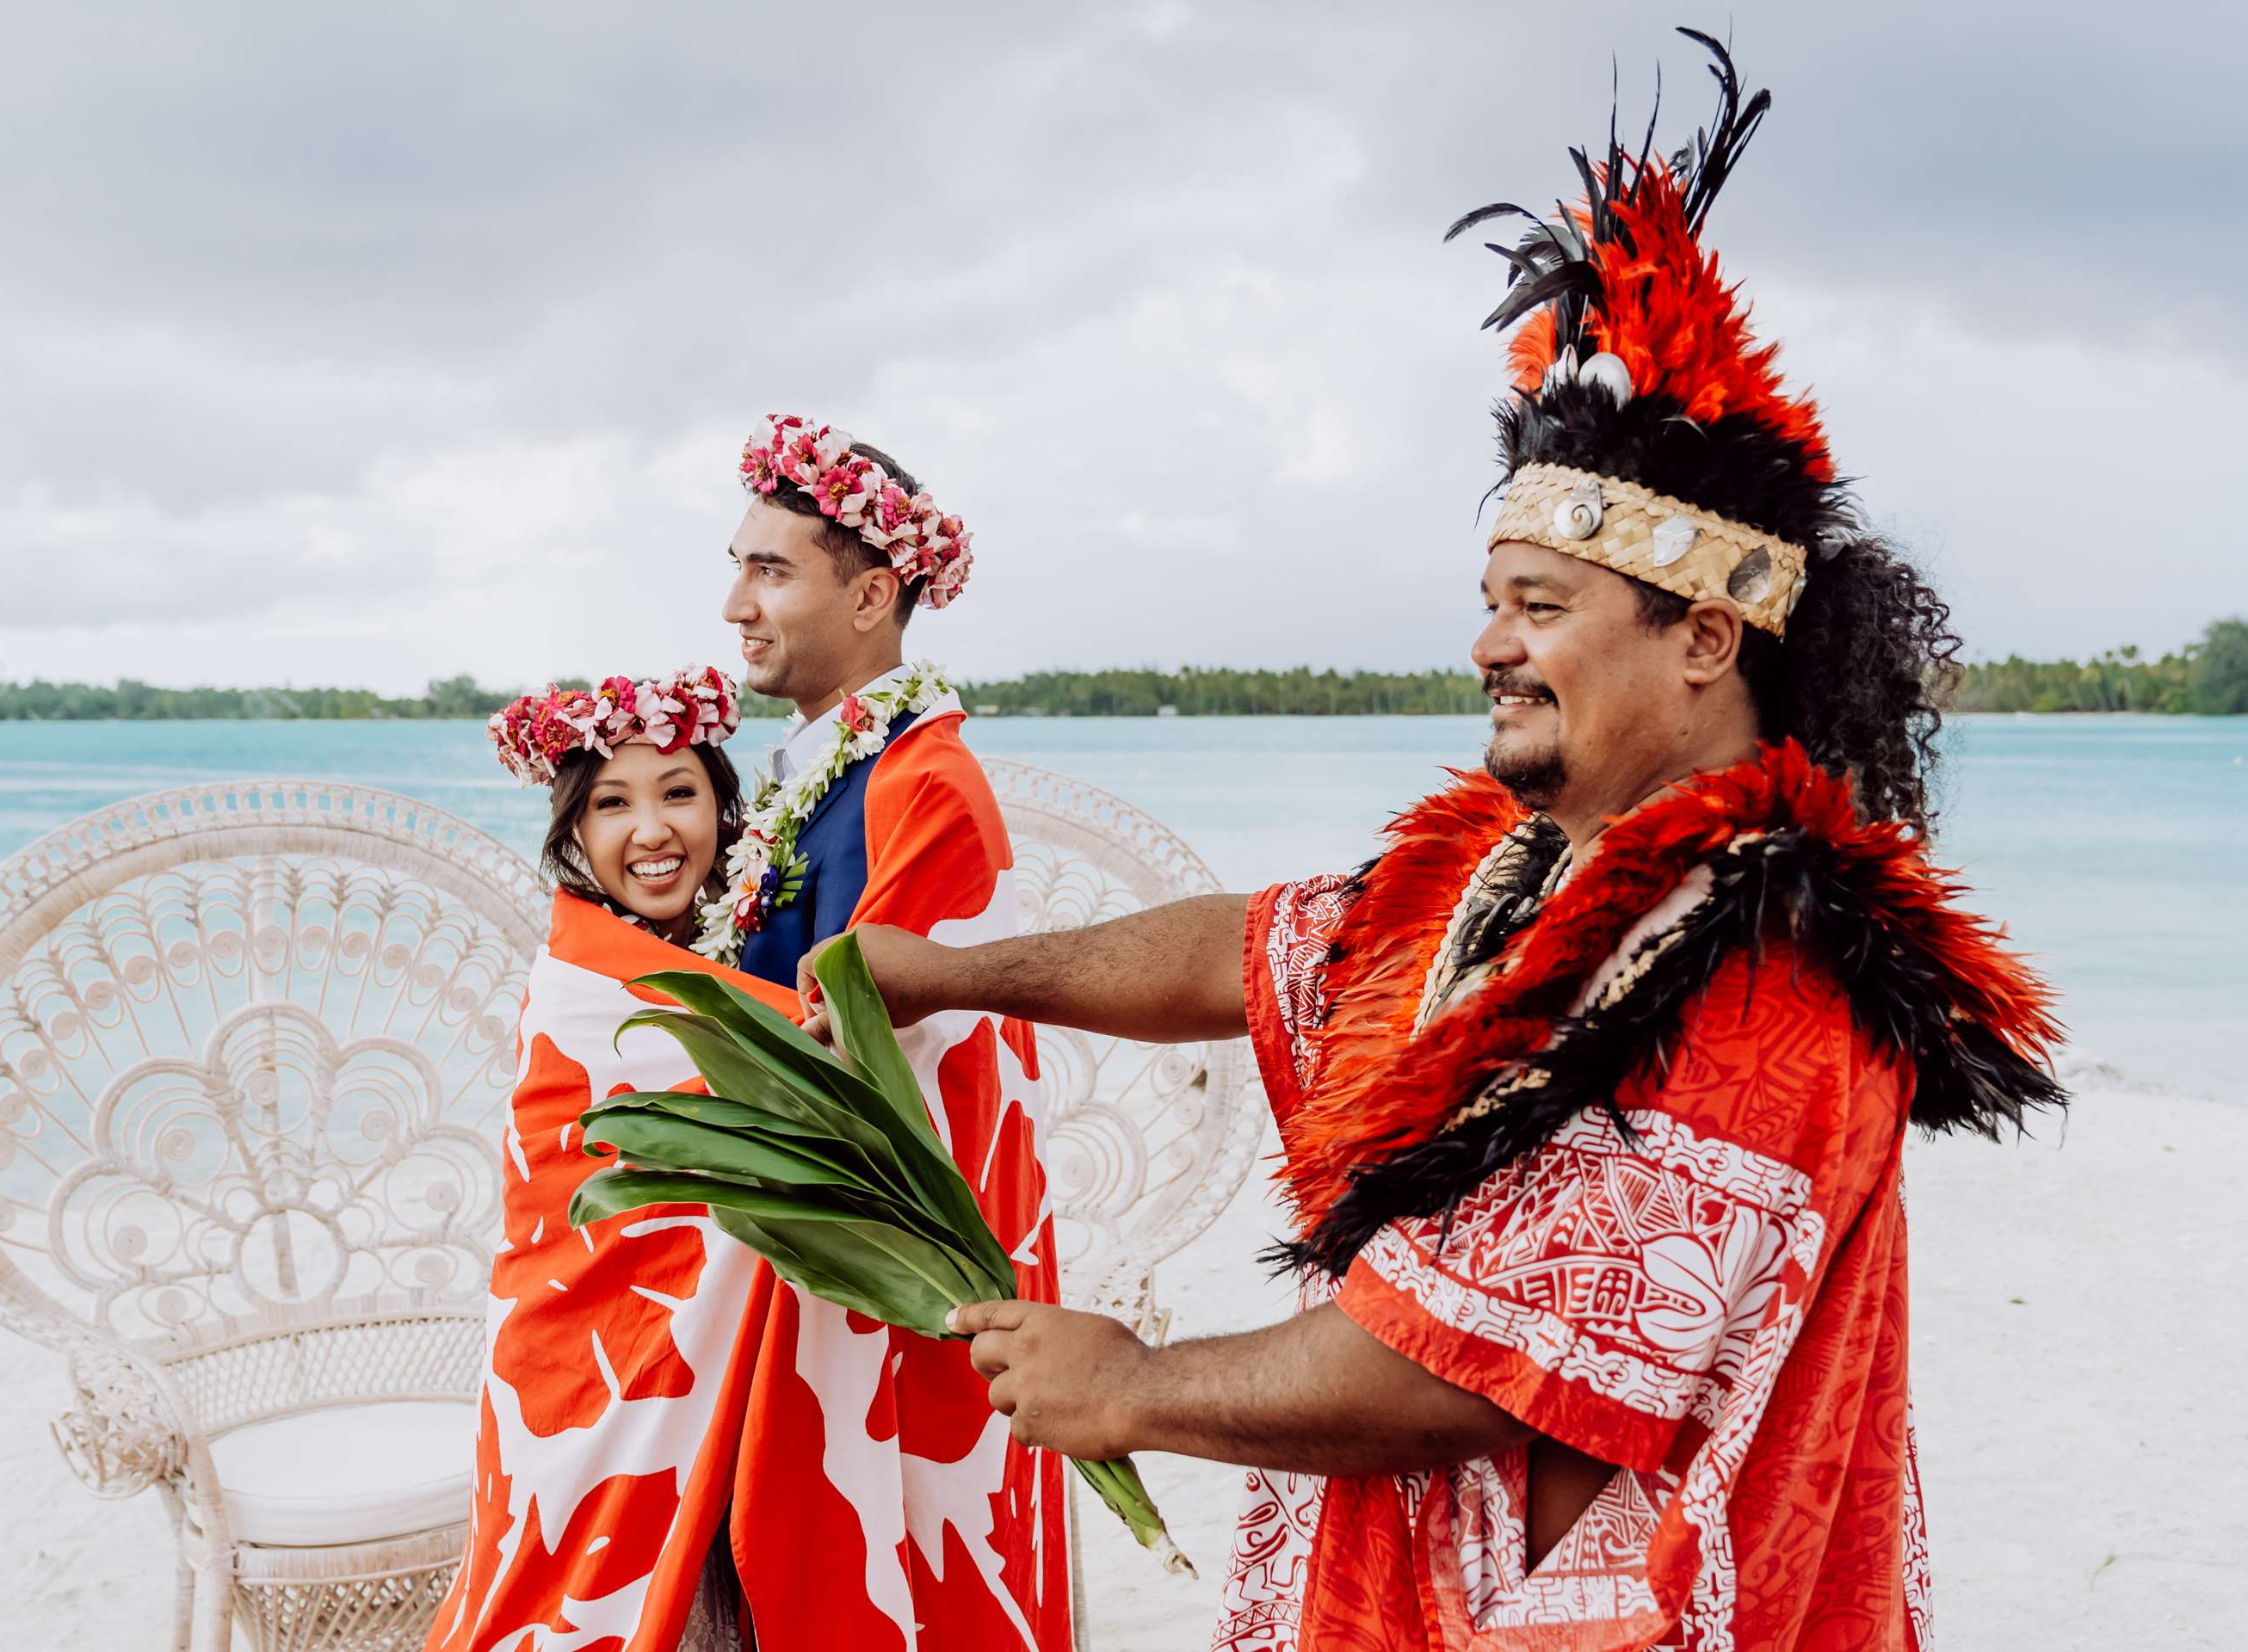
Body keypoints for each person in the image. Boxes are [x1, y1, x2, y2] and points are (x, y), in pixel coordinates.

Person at [800, 34, 2065, 1652]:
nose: (1489, 647)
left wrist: (1132, 1388)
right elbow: (1266, 942)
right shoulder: (1503, 862)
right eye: (1489, 603)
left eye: (1540, 608)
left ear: (1702, 640)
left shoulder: (1767, 971)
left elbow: (1464, 1375)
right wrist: (955, 972)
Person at [701, 414, 1068, 1652]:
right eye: (739, 564)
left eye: (772, 570)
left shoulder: (920, 784)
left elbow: (881, 1049)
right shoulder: (836, 764)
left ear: (870, 596)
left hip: (879, 1273)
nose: (736, 603)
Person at [429, 666, 787, 1652]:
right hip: (575, 1338)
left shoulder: (746, 949)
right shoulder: (581, 976)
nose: (653, 830)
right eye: (611, 804)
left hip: (727, 1350)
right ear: (576, 835)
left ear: (723, 802)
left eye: (680, 791)